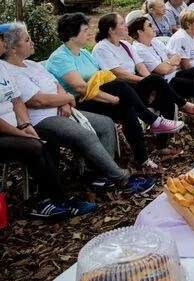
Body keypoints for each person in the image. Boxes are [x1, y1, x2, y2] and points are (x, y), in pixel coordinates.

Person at [1, 23, 155, 197]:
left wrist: (64, 101)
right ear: (13, 48)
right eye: (27, 40)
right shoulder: (10, 71)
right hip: (42, 119)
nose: (32, 42)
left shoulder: (31, 64)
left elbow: (56, 85)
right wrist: (67, 99)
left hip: (63, 109)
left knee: (105, 123)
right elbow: (37, 100)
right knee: (85, 135)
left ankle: (102, 175)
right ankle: (122, 179)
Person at [47, 13, 182, 170]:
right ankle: (153, 121)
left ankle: (143, 158)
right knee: (120, 88)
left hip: (97, 97)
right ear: (71, 35)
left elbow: (103, 77)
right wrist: (112, 99)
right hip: (77, 104)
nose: (89, 33)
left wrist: (117, 98)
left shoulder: (84, 54)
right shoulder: (60, 57)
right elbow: (80, 88)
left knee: (128, 108)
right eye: (85, 30)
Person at [0, 23, 100, 218]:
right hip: (5, 132)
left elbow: (17, 99)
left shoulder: (2, 69)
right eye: (1, 39)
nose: (3, 43)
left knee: (47, 137)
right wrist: (20, 132)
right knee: (35, 146)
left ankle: (56, 197)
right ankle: (49, 201)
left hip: (18, 126)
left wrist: (25, 124)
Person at [92, 13, 194, 153]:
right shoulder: (102, 48)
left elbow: (140, 67)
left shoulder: (125, 45)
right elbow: (118, 74)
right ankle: (183, 105)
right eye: (122, 23)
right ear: (111, 29)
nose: (125, 26)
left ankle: (162, 146)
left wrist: (152, 86)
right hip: (121, 89)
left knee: (166, 101)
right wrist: (148, 81)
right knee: (155, 79)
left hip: (136, 84)